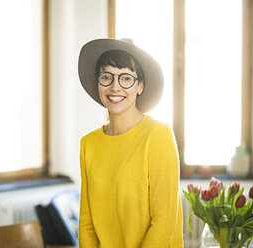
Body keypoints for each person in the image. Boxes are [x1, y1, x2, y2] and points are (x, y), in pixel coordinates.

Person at [77, 38, 183, 247]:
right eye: (106, 77)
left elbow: (164, 223)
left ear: (140, 86)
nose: (115, 87)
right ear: (98, 82)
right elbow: (86, 224)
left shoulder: (158, 135)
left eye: (126, 78)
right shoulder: (88, 144)